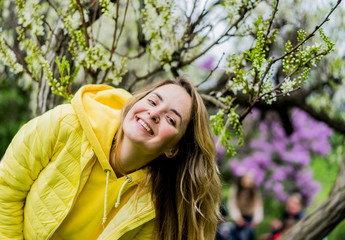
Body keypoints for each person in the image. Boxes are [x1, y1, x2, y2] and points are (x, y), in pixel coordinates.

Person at [0, 77, 221, 240]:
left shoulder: (152, 205)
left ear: (173, 149)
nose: (154, 114)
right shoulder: (64, 124)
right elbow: (6, 189)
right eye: (153, 102)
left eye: (171, 119)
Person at [227, 172, 264, 240]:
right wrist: (237, 217)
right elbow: (232, 204)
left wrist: (256, 220)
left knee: (249, 235)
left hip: (250, 217)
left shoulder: (254, 190)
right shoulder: (236, 189)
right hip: (239, 217)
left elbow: (258, 206)